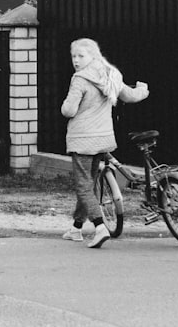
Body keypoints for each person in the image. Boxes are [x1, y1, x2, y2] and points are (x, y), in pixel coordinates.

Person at [60, 38, 149, 248]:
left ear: (93, 56)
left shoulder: (80, 79)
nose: (76, 60)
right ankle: (76, 228)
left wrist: (64, 106)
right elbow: (129, 95)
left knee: (83, 187)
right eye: (74, 56)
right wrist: (143, 90)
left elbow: (69, 110)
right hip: (104, 138)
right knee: (88, 184)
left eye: (81, 56)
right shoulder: (110, 74)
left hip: (82, 140)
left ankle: (100, 227)